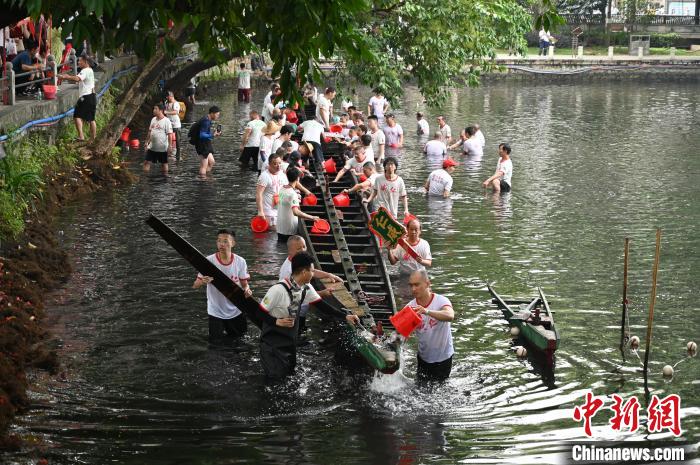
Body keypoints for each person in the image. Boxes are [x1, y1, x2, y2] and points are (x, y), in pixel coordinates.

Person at [258, 252, 323, 380]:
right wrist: (276, 321)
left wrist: (345, 316)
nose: (313, 274)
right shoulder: (277, 290)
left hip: (290, 343)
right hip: (272, 345)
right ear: (304, 272)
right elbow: (258, 312)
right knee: (274, 381)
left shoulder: (306, 288)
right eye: (312, 270)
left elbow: (322, 306)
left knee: (289, 378)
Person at [192, 229, 252, 344]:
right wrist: (202, 282)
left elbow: (245, 285)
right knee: (215, 346)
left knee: (240, 343)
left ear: (233, 243)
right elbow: (195, 285)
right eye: (219, 241)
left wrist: (247, 290)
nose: (221, 244)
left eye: (225, 241)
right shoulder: (208, 261)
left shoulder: (240, 261)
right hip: (215, 311)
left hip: (236, 310)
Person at [406, 270, 454, 383]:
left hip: (443, 358)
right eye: (411, 285)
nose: (413, 289)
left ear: (427, 283)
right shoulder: (410, 307)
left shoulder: (441, 301)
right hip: (423, 358)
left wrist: (426, 311)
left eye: (417, 285)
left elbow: (450, 315)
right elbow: (401, 333)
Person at [58, 54, 96, 142]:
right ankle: (93, 138)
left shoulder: (85, 70)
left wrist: (66, 76)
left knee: (77, 115)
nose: (78, 62)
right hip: (92, 96)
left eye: (80, 61)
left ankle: (81, 136)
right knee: (91, 119)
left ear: (85, 62)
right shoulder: (90, 70)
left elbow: (77, 78)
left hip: (85, 97)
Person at [276, 168, 320, 243]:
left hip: (280, 228)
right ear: (297, 178)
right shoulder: (293, 194)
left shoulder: (282, 189)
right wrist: (312, 217)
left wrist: (306, 191)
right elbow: (295, 212)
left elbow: (295, 183)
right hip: (289, 230)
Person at [256, 152, 289, 229]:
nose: (278, 166)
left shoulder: (282, 174)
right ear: (269, 164)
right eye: (275, 164)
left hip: (280, 208)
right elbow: (258, 193)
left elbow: (286, 188)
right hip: (268, 211)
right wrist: (260, 211)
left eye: (280, 163)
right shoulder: (264, 176)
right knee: (273, 232)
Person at [143, 103, 174, 174]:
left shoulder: (166, 121)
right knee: (146, 162)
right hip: (152, 147)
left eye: (155, 109)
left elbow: (170, 134)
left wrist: (170, 146)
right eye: (154, 108)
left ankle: (165, 178)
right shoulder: (153, 119)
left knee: (164, 163)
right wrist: (146, 142)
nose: (154, 110)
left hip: (162, 147)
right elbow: (150, 131)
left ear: (161, 110)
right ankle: (145, 177)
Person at [196, 106, 222, 176]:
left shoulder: (207, 119)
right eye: (217, 114)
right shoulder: (206, 121)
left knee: (211, 162)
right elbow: (202, 135)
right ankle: (203, 182)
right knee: (204, 165)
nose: (218, 116)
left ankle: (205, 177)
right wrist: (212, 135)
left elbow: (204, 132)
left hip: (205, 143)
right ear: (212, 113)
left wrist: (213, 134)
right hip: (201, 144)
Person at [164, 91, 182, 161]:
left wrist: (166, 112)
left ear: (171, 96)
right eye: (166, 97)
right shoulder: (166, 103)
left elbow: (176, 112)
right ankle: (167, 153)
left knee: (177, 141)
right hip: (168, 124)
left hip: (176, 124)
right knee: (166, 139)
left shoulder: (176, 103)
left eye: (168, 96)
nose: (167, 98)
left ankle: (178, 156)